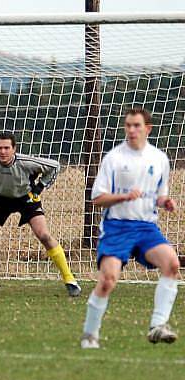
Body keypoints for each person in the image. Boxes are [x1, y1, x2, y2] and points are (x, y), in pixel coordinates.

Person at [80, 108, 180, 349]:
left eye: (136, 126)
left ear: (148, 128)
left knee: (172, 264)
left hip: (146, 228)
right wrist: (122, 197)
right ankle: (90, 334)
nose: (132, 130)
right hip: (117, 228)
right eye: (128, 126)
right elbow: (97, 199)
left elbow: (159, 195)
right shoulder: (114, 158)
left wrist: (165, 202)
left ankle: (157, 325)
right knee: (108, 281)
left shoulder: (159, 159)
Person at [0, 132, 80, 297]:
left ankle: (70, 280)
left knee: (44, 235)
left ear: (14, 149)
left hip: (26, 199)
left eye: (7, 148)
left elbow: (55, 166)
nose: (3, 152)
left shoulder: (26, 162)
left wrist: (39, 188)